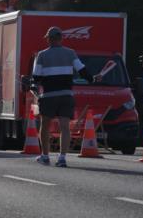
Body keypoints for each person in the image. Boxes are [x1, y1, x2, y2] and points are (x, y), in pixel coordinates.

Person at [32, 26, 97, 167]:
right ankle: (62, 158)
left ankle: (45, 156)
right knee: (65, 127)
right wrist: (92, 79)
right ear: (61, 38)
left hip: (48, 96)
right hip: (66, 95)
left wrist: (31, 84)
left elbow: (36, 78)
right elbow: (82, 71)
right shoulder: (71, 53)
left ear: (48, 39)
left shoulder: (42, 55)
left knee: (45, 126)